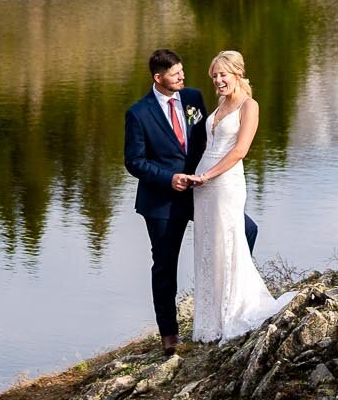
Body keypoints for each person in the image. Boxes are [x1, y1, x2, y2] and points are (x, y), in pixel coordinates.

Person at [123, 47, 256, 350]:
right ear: (158, 78)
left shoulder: (194, 98)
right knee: (165, 265)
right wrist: (169, 178)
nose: (182, 76)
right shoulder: (139, 113)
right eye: (175, 73)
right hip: (162, 201)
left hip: (202, 190)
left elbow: (209, 137)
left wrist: (205, 176)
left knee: (246, 230)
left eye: (182, 70)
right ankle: (169, 335)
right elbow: (134, 161)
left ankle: (231, 299)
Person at [187, 49, 292, 341]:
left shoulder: (249, 106)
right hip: (202, 186)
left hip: (225, 183)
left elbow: (240, 150)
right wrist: (197, 177)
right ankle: (209, 322)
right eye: (215, 76)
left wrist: (208, 175)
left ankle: (233, 312)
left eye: (223, 75)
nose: (218, 81)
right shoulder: (220, 103)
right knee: (208, 246)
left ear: (237, 74)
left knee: (228, 242)